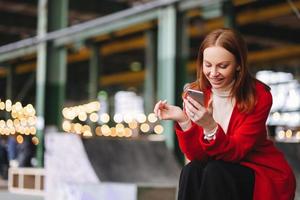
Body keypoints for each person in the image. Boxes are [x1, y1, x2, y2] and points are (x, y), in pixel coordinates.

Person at [154, 28, 296, 200]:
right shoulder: (196, 92)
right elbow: (198, 157)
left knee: (216, 170)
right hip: (220, 171)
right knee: (191, 170)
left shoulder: (259, 96)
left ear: (238, 65)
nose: (213, 73)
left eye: (222, 66)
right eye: (208, 65)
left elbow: (236, 152)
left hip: (257, 169)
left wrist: (210, 126)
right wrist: (184, 121)